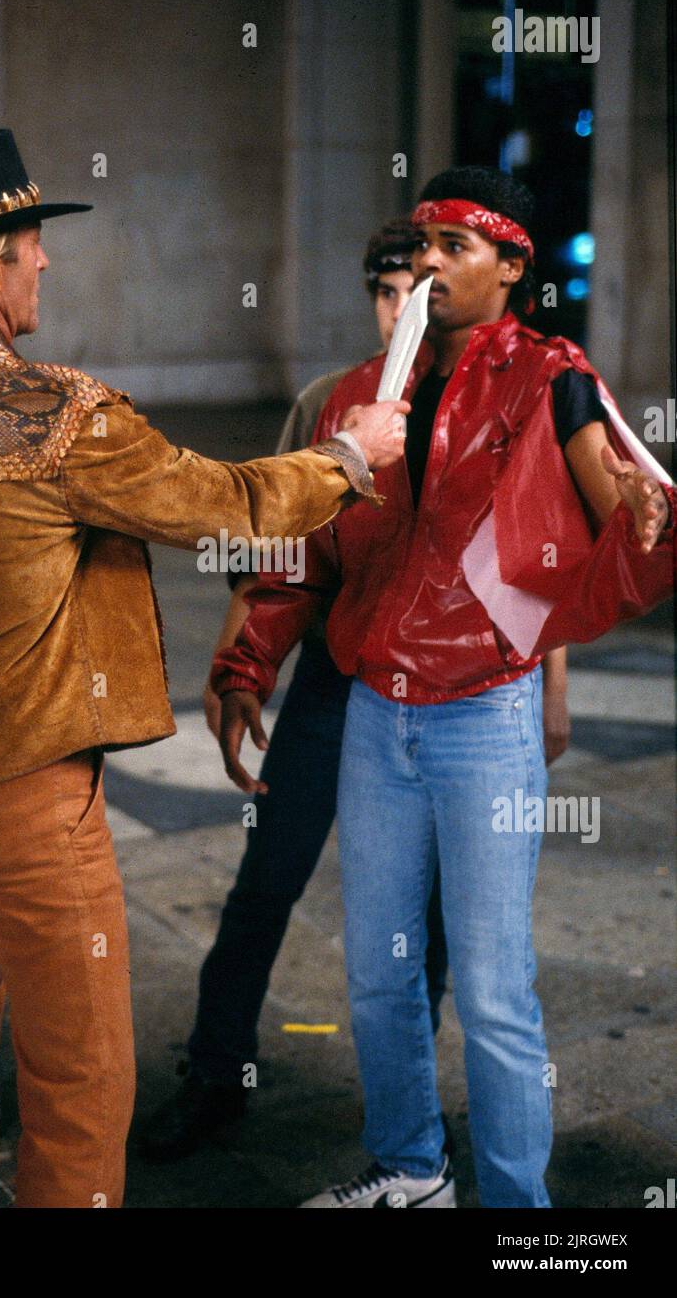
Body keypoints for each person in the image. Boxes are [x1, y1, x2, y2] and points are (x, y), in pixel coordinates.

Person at [0, 128, 410, 1209]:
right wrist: (349, 456)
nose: (46, 261)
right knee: (80, 1077)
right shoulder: (54, 414)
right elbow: (225, 505)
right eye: (33, 243)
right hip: (34, 807)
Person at [211, 167, 674, 1208]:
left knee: (497, 991)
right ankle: (412, 1170)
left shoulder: (551, 377)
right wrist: (249, 659)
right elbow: (310, 555)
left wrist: (638, 514)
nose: (427, 261)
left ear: (513, 266)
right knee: (378, 972)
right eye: (420, 242)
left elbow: (613, 521)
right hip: (377, 712)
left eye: (454, 244)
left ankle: (518, 1211)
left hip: (483, 718)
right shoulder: (358, 398)